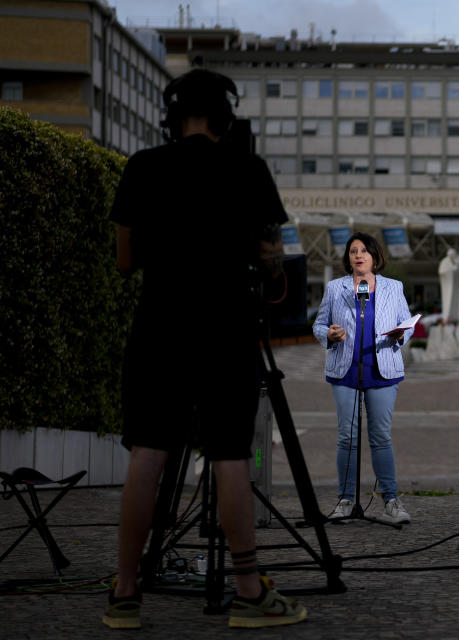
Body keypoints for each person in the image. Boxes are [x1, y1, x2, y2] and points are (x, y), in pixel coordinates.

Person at [103, 69, 306, 630]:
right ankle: (248, 592)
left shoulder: (143, 166)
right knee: (230, 455)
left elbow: (124, 262)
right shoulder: (248, 169)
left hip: (158, 327)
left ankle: (124, 593)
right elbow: (272, 260)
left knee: (147, 452)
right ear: (225, 115)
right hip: (225, 329)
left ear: (173, 115)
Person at [312, 232, 413, 524]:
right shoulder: (335, 288)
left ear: (374, 256)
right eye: (353, 251)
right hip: (345, 371)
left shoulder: (394, 287)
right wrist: (328, 334)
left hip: (382, 371)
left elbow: (407, 324)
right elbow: (319, 324)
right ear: (348, 258)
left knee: (381, 437)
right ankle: (345, 501)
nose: (358, 255)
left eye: (364, 251)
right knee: (347, 438)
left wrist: (401, 332)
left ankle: (391, 501)